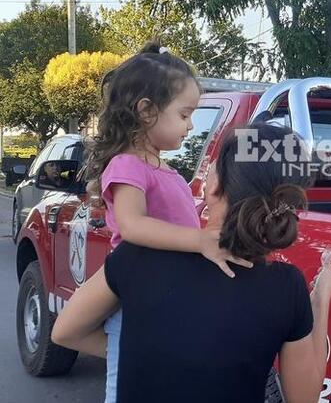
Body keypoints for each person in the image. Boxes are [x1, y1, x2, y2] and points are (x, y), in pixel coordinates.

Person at [53, 122, 331, 402]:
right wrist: (320, 300)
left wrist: (146, 350)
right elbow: (304, 398)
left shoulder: (137, 256)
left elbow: (65, 331)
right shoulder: (286, 288)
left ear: (214, 185)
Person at [82, 42, 253, 402]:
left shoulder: (165, 169)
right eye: (185, 114)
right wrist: (200, 241)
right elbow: (131, 226)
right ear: (146, 111)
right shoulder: (128, 165)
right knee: (126, 388)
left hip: (165, 299)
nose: (191, 125)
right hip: (138, 298)